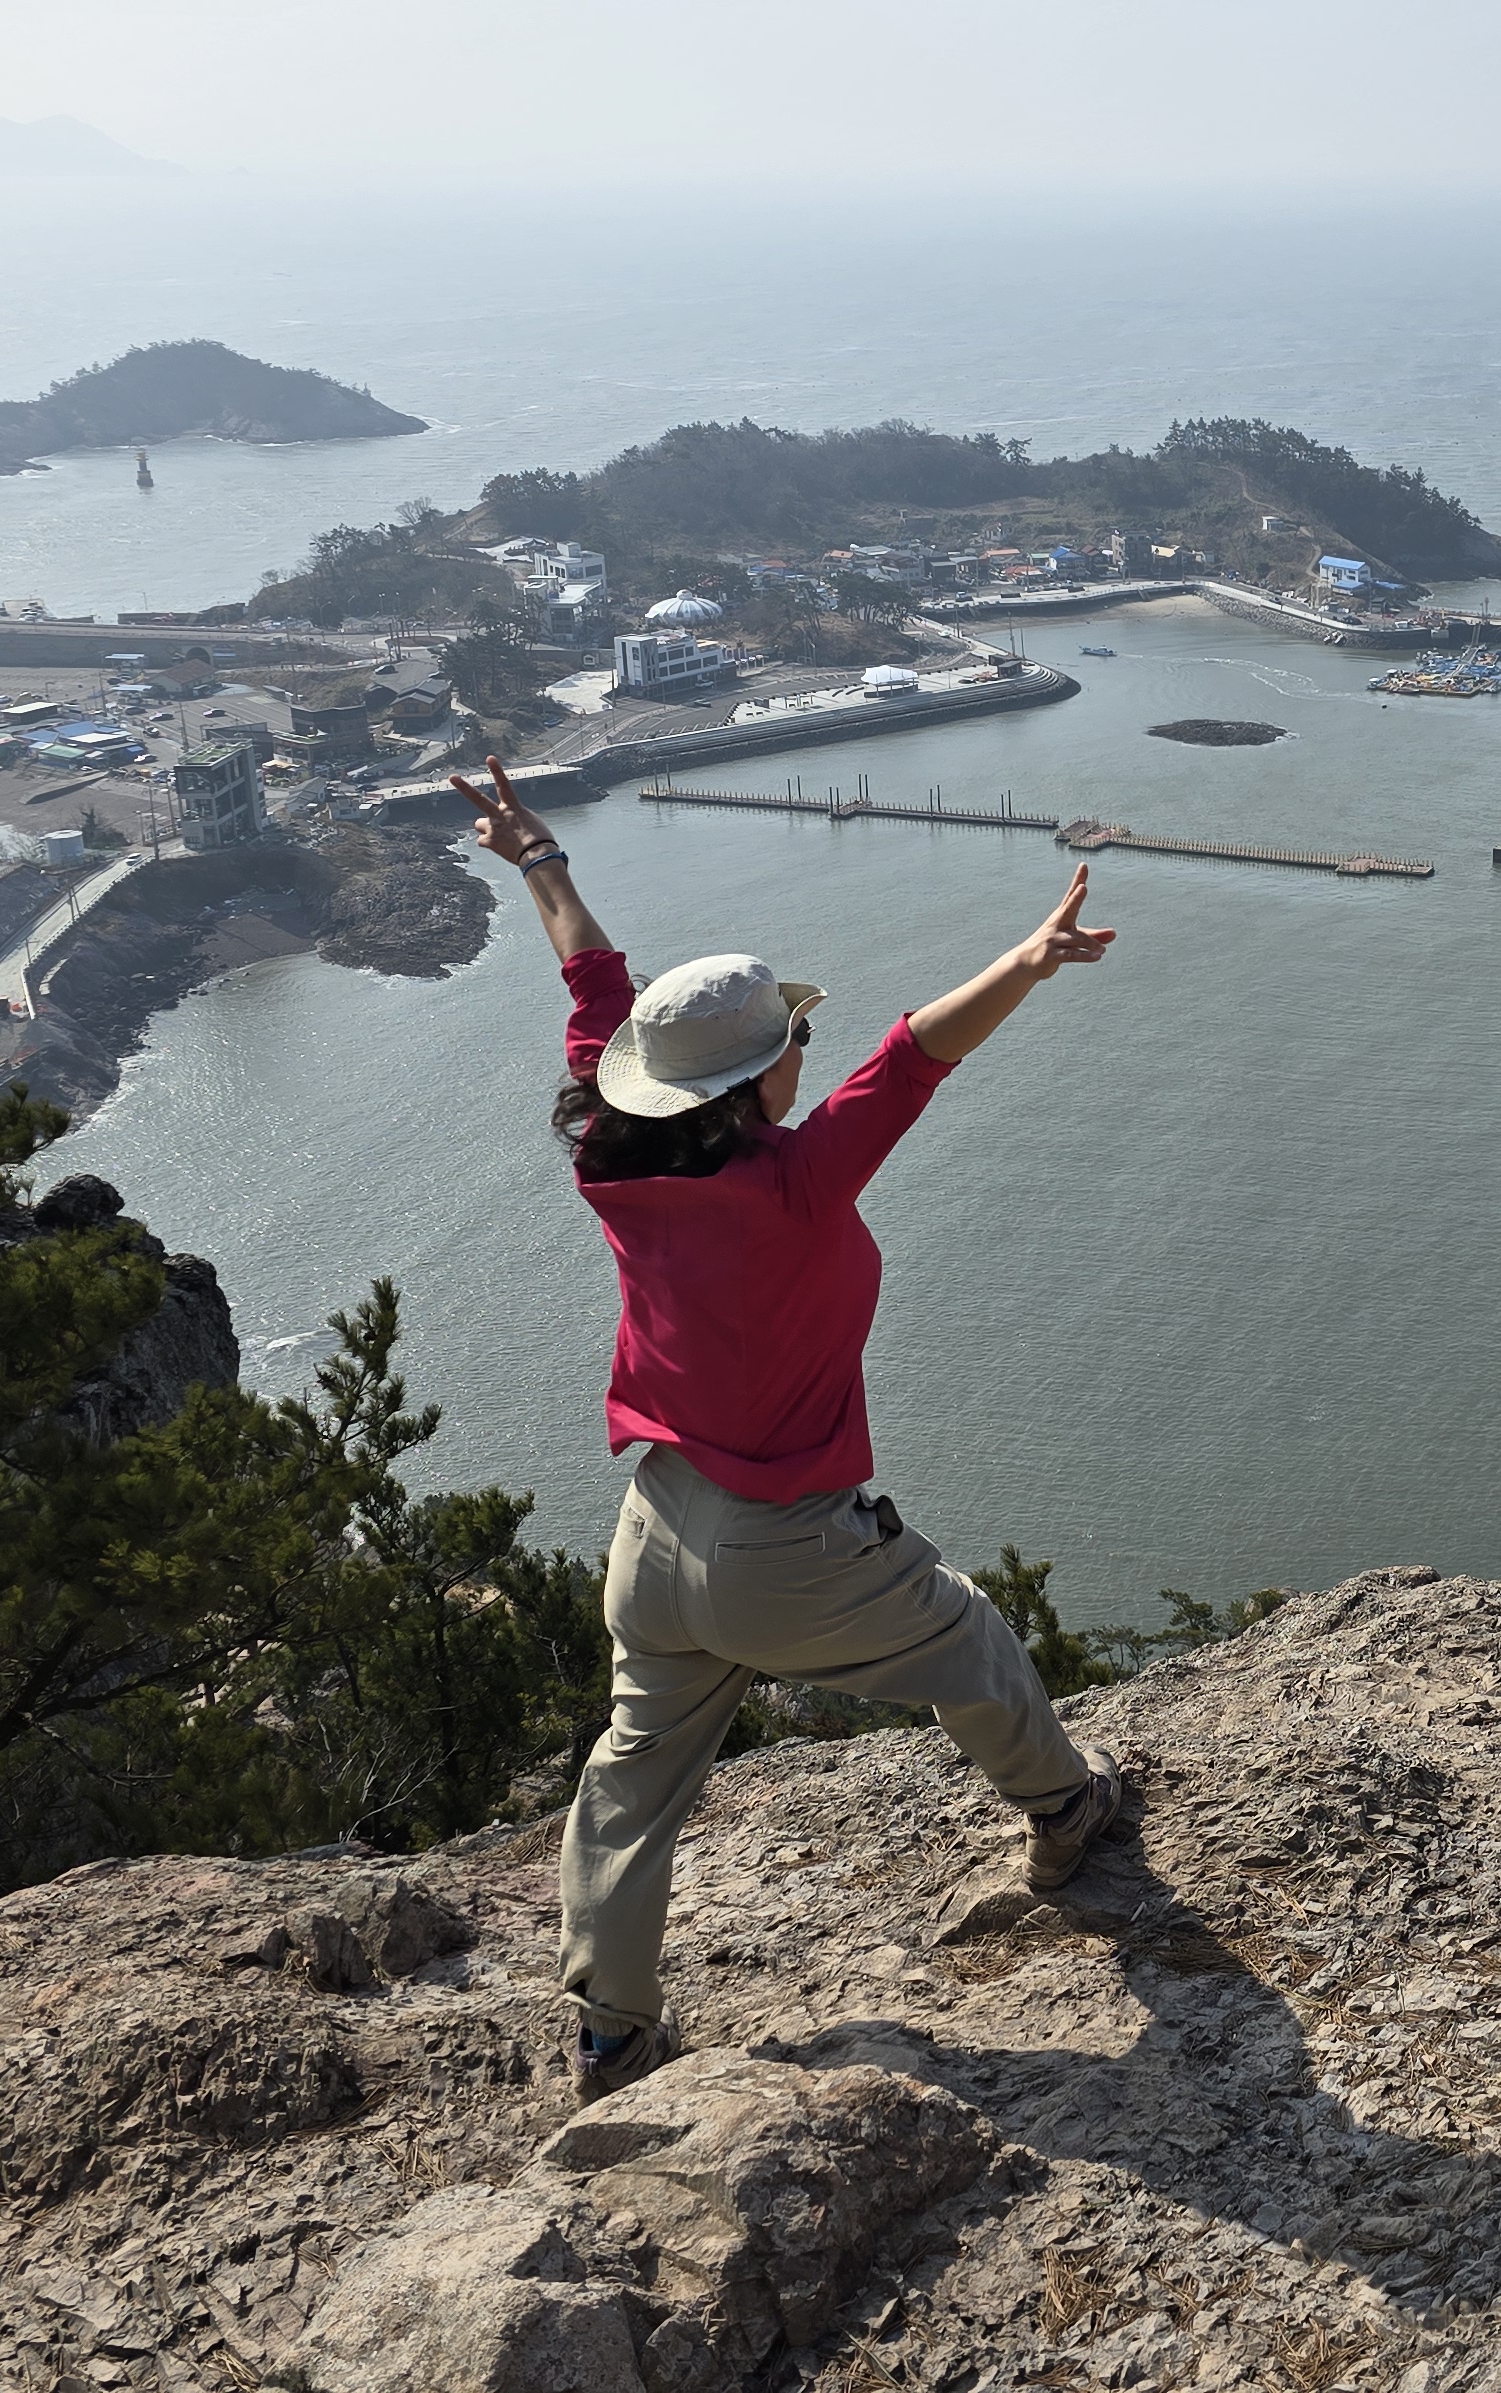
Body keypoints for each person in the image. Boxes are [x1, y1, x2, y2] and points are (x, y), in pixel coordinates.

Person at [452, 756, 1130, 2104]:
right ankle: (1067, 1810)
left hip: (654, 1531)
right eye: (791, 1048)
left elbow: (595, 987)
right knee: (969, 1640)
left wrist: (540, 860)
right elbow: (911, 1059)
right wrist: (1029, 960)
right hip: (790, 1546)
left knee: (634, 1775)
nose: (806, 1061)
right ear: (759, 1080)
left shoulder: (612, 1154)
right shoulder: (798, 1185)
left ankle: (612, 2036)